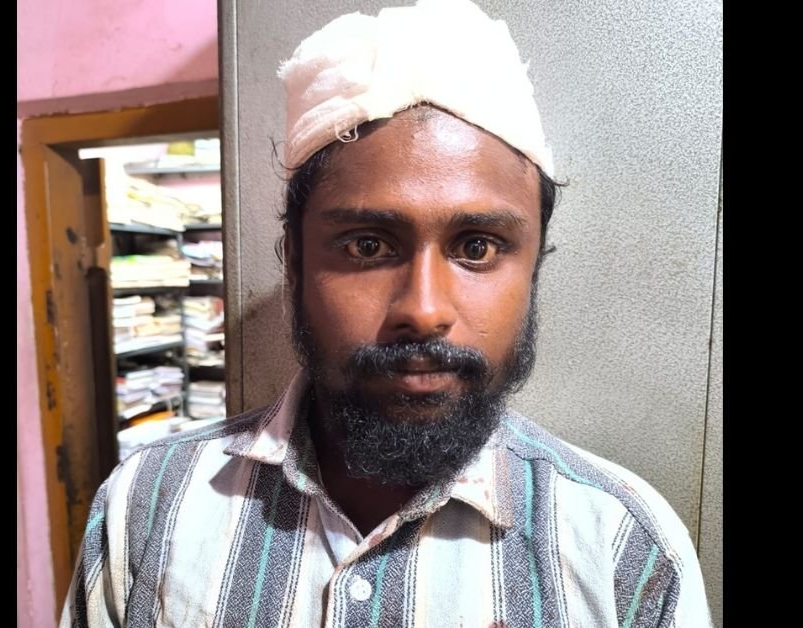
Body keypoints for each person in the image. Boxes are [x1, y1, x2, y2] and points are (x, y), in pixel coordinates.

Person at [59, 0, 712, 626]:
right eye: (368, 246)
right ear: (295, 264)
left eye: (477, 247)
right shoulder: (147, 508)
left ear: (533, 266)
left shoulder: (625, 551)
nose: (423, 311)